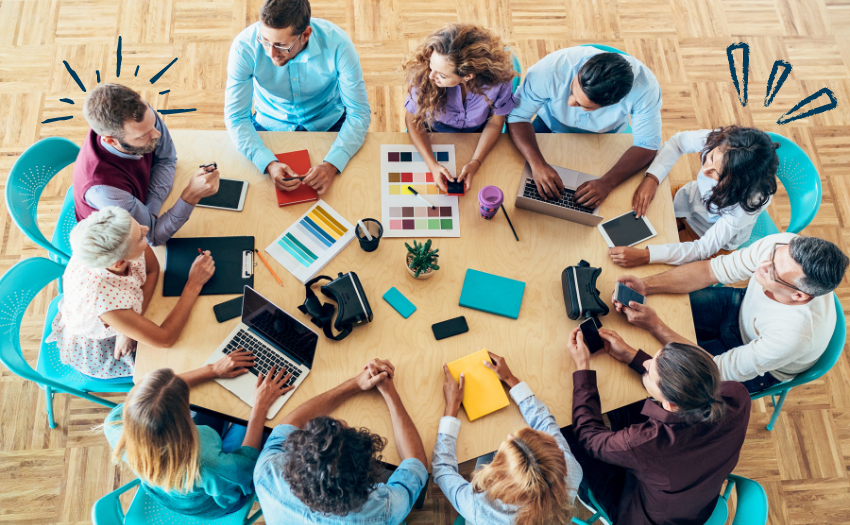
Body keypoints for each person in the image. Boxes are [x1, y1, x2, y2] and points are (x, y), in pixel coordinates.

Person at [613, 232, 848, 393]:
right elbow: (711, 270)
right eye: (774, 256)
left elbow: (713, 370)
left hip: (761, 364)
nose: (762, 265)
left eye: (774, 272)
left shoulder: (794, 336)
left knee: (669, 381)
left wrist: (656, 325)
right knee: (666, 308)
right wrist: (646, 285)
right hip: (740, 308)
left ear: (799, 295)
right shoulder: (782, 246)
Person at [565, 328, 750, 525]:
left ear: (670, 405)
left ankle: (587, 497)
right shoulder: (737, 396)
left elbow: (589, 438)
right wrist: (630, 354)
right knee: (626, 403)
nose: (647, 364)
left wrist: (583, 368)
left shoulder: (648, 443)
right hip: (696, 503)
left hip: (640, 515)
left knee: (569, 434)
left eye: (650, 374)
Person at [104, 362, 293, 517]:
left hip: (176, 491)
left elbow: (156, 397)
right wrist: (259, 407)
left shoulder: (115, 424)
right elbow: (246, 467)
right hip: (221, 498)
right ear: (183, 422)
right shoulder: (207, 465)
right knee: (266, 423)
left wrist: (211, 370)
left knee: (220, 401)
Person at [46, 207, 215, 380]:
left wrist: (128, 329)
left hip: (123, 315)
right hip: (101, 343)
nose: (146, 230)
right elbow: (165, 339)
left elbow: (152, 270)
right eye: (141, 237)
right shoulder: (105, 303)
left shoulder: (124, 240)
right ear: (119, 263)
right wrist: (193, 284)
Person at [254, 359, 428, 524]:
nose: (342, 422)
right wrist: (389, 392)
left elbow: (292, 424)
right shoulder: (382, 510)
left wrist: (356, 384)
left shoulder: (267, 471)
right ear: (367, 476)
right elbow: (416, 464)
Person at [225, 0, 370, 196]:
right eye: (265, 41)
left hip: (329, 121)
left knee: (348, 192)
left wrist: (332, 164)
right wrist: (267, 163)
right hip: (270, 123)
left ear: (306, 34)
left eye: (281, 46)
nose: (270, 53)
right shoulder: (244, 47)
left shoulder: (339, 45)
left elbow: (359, 113)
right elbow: (236, 117)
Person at [435, 352, 581, 524]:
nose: (510, 435)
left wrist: (451, 408)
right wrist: (511, 379)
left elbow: (442, 468)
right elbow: (545, 423)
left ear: (499, 476)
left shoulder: (479, 507)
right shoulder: (570, 470)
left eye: (511, 440)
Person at [507, 47, 662, 205]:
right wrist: (537, 165)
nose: (569, 102)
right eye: (572, 90)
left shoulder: (646, 90)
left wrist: (607, 183)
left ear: (614, 103)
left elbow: (647, 144)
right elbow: (517, 116)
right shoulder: (550, 69)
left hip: (604, 136)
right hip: (549, 123)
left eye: (584, 106)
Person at [610, 126, 779, 267]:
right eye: (710, 157)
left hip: (704, 236)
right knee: (623, 215)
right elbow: (678, 142)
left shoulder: (743, 208)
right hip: (685, 199)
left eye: (717, 173)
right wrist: (652, 178)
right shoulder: (724, 142)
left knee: (654, 265)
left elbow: (702, 248)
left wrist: (647, 256)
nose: (705, 171)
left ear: (738, 183)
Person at [75, 83, 220, 246]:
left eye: (153, 123)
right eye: (143, 135)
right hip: (114, 241)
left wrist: (149, 211)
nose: (157, 133)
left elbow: (167, 159)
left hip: (138, 203)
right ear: (110, 140)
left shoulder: (141, 115)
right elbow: (152, 237)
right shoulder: (104, 190)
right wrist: (191, 194)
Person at [403, 24, 516, 192]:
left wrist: (475, 163)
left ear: (468, 76)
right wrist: (432, 165)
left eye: (442, 75)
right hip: (433, 133)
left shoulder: (497, 82)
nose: (431, 76)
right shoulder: (424, 76)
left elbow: (495, 121)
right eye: (432, 66)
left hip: (478, 136)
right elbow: (412, 119)